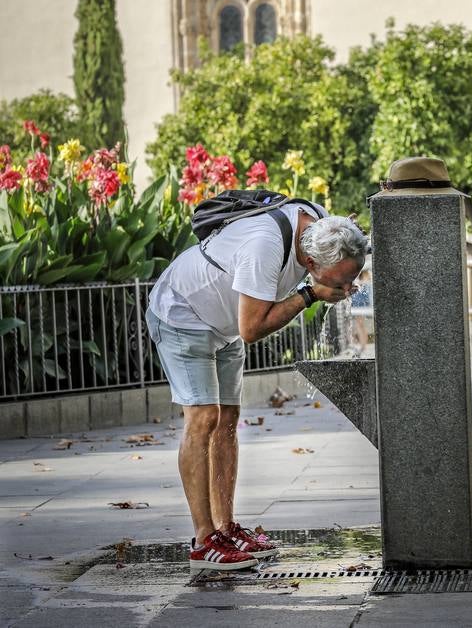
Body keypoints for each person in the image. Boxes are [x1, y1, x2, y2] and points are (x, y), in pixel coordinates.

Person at [146, 205, 367, 572]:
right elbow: (253, 328)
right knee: (204, 418)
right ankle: (204, 541)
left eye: (350, 280)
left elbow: (241, 327)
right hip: (183, 312)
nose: (346, 290)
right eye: (340, 282)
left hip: (223, 322)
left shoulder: (325, 227)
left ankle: (226, 527)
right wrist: (309, 296)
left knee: (228, 419)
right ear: (310, 263)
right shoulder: (264, 246)